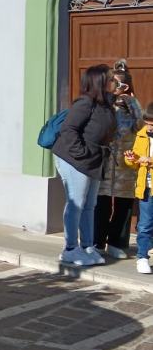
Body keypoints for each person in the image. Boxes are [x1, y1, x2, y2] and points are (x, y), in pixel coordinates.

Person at [51, 64, 117, 266]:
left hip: (94, 160)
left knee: (90, 205)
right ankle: (70, 249)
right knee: (76, 203)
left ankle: (87, 246)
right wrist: (83, 154)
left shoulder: (105, 104)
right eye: (111, 79)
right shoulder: (84, 103)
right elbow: (69, 131)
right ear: (100, 82)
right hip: (74, 159)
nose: (115, 82)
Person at [95, 60, 142, 259]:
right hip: (104, 162)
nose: (119, 89)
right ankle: (97, 242)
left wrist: (131, 105)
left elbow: (141, 127)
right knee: (101, 203)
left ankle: (117, 243)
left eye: (123, 85)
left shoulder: (133, 104)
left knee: (123, 205)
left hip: (125, 164)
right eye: (116, 84)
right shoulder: (102, 102)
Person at [124, 104, 153, 273]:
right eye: (147, 123)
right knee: (145, 224)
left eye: (152, 125)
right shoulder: (141, 136)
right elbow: (134, 164)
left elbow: (148, 160)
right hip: (146, 188)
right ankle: (142, 257)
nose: (149, 127)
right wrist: (131, 159)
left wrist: (150, 160)